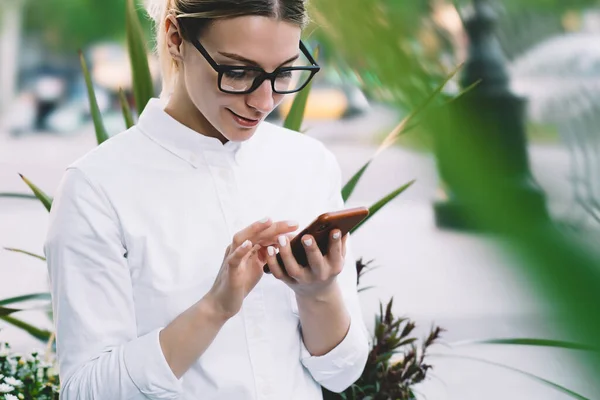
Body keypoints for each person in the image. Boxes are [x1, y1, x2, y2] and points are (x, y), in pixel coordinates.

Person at [44, 0, 370, 399]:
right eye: (237, 72)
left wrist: (317, 293)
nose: (265, 102)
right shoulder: (96, 188)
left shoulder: (309, 164)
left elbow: (342, 373)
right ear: (175, 37)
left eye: (283, 72)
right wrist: (215, 307)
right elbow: (85, 392)